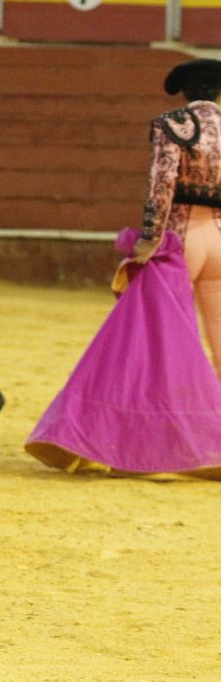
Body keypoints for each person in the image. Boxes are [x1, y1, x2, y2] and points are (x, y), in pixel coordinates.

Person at [26, 59, 221, 479]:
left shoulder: (173, 124)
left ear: (185, 93)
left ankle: (164, 443)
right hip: (220, 241)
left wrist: (149, 241)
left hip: (182, 240)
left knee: (163, 344)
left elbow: (162, 184)